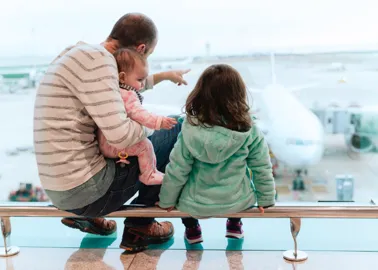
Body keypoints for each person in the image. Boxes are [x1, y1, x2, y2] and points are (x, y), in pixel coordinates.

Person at [33, 13, 189, 253]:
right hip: (86, 193)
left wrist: (163, 77)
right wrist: (157, 124)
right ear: (141, 48)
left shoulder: (74, 53)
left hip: (59, 190)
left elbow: (122, 82)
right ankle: (141, 226)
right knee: (176, 127)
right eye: (145, 57)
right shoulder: (101, 62)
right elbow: (122, 135)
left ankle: (90, 218)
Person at [157, 64, 276, 244]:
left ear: (201, 93)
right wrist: (266, 199)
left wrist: (167, 201)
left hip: (197, 202)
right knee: (242, 181)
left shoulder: (190, 129)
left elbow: (177, 169)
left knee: (184, 191)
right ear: (238, 94)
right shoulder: (249, 130)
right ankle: (235, 225)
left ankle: (192, 229)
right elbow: (261, 168)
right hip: (237, 200)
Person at [97, 48, 177, 185]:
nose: (142, 84)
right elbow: (139, 114)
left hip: (104, 142)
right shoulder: (127, 94)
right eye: (140, 80)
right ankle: (149, 174)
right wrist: (159, 121)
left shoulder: (113, 91)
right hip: (113, 146)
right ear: (122, 77)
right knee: (145, 146)